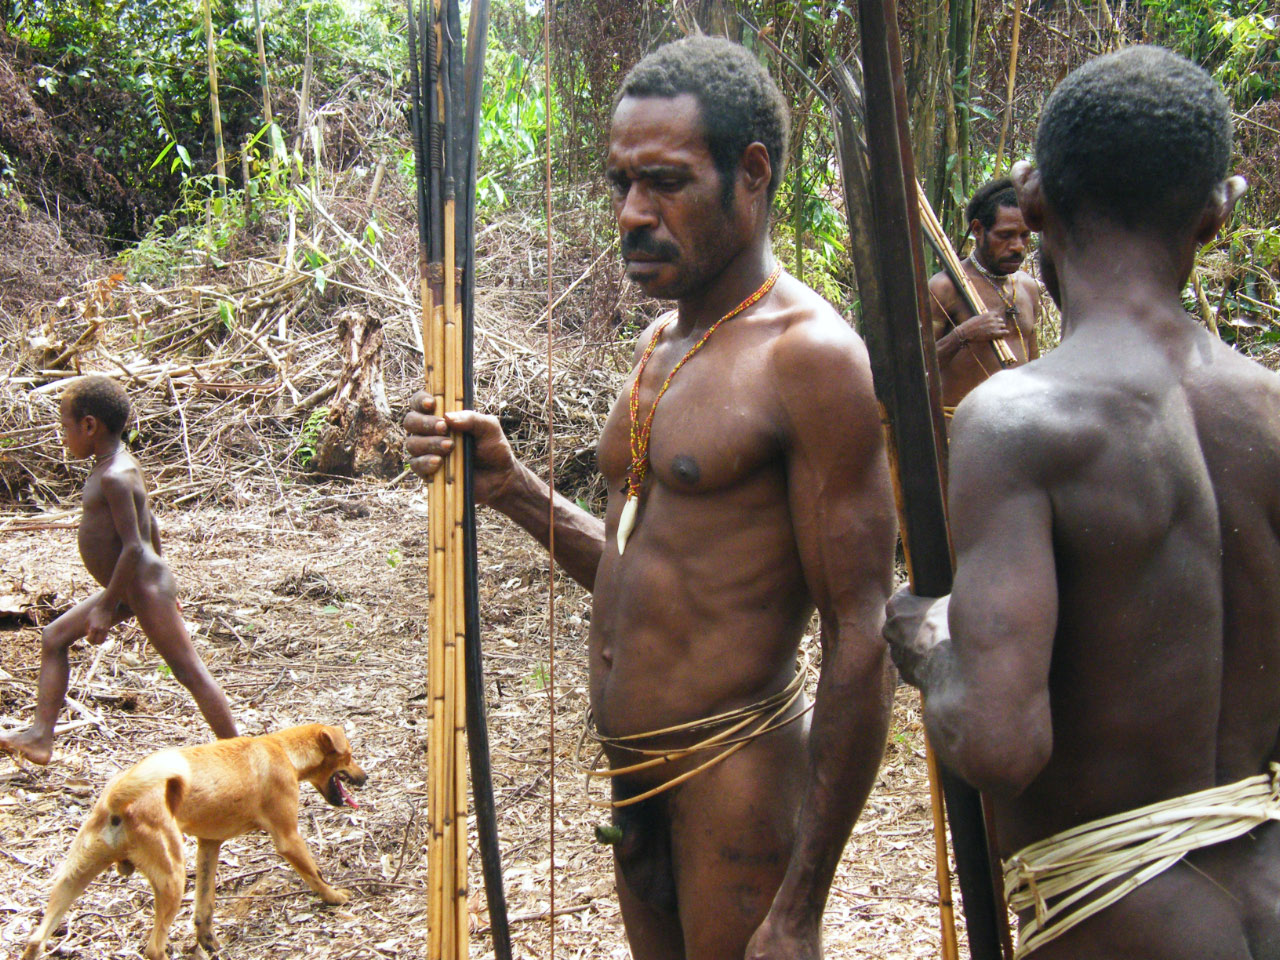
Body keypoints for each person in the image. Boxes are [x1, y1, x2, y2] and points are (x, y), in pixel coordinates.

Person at [405, 37, 897, 960]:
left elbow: (862, 635)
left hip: (736, 778)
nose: (633, 213)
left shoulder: (810, 358)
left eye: (665, 182)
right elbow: (650, 569)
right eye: (621, 183)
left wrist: (800, 905)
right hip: (638, 783)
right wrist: (512, 488)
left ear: (752, 174)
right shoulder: (662, 344)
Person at [884, 46, 1280, 959]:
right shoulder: (1269, 412)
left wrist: (930, 646)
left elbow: (999, 742)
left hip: (1122, 929)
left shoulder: (1018, 421)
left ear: (1036, 204)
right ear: (1216, 213)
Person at [0, 376, 237, 765]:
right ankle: (40, 738)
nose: (63, 437)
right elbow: (151, 524)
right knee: (54, 637)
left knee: (189, 672)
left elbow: (133, 547)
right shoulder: (115, 465)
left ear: (89, 425)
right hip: (134, 586)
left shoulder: (114, 475)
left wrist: (106, 607)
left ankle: (245, 759)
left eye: (65, 427)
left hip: (141, 588)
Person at [928, 178, 1041, 418]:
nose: (1018, 246)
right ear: (978, 230)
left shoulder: (1027, 287)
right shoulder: (945, 288)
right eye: (1005, 235)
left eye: (1024, 235)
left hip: (1017, 423)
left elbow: (1034, 362)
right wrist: (962, 335)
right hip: (959, 427)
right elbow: (915, 369)